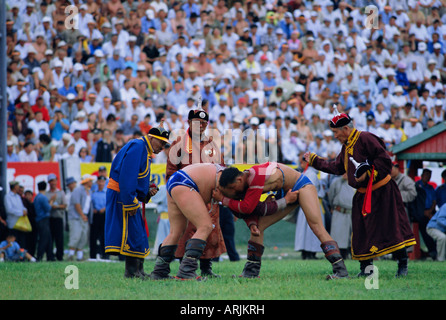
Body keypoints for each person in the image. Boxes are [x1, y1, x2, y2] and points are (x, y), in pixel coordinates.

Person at [304, 109, 416, 277]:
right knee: (361, 231)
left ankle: (402, 265)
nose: (334, 136)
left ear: (346, 129)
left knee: (390, 227)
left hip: (382, 192)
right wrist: (315, 160)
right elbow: (337, 167)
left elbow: (384, 160)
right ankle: (366, 270)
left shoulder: (365, 138)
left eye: (336, 132)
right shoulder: (347, 145)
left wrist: (369, 173)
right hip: (362, 195)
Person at [213, 162, 349, 279]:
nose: (232, 192)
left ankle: (340, 269)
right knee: (258, 228)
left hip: (301, 185)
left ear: (239, 180)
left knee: (316, 226)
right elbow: (248, 209)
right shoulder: (244, 184)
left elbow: (248, 208)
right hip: (285, 192)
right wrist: (252, 222)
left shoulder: (255, 175)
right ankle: (251, 272)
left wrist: (224, 200)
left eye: (231, 189)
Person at [165, 108, 226, 278]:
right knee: (186, 231)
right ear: (189, 123)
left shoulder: (211, 144)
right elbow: (170, 173)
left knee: (211, 230)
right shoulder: (179, 143)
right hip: (186, 194)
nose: (201, 126)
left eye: (204, 123)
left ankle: (206, 268)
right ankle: (184, 269)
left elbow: (222, 169)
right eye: (197, 123)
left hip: (210, 195)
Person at [105, 125, 170, 279]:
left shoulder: (144, 150)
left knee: (138, 233)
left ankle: (138, 270)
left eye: (164, 144)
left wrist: (145, 191)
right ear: (152, 138)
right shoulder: (138, 147)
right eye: (160, 142)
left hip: (128, 195)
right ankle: (131, 272)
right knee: (132, 234)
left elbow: (135, 178)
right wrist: (130, 201)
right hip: (123, 196)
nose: (162, 147)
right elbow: (127, 177)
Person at [327, 173, 355, 259]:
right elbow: (331, 196)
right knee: (338, 235)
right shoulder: (336, 182)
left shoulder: (355, 182)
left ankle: (351, 253)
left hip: (351, 212)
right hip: (339, 211)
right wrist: (332, 207)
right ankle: (340, 254)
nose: (345, 174)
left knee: (351, 236)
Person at [67, 174, 94, 261]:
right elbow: (77, 204)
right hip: (76, 217)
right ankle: (70, 255)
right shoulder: (78, 190)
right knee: (76, 235)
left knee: (83, 236)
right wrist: (82, 215)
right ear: (86, 181)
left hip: (84, 216)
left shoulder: (89, 191)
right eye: (90, 181)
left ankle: (79, 256)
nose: (91, 182)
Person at [46, 173, 67, 261]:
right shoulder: (47, 194)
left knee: (59, 238)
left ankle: (60, 256)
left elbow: (65, 205)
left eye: (54, 180)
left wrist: (57, 207)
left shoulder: (60, 192)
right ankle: (50, 255)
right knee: (50, 238)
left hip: (58, 217)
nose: (53, 183)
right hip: (49, 218)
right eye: (51, 181)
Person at [33, 181, 55, 261]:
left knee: (48, 238)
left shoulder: (36, 197)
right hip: (43, 220)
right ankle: (39, 256)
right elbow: (48, 208)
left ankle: (50, 256)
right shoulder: (43, 197)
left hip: (39, 220)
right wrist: (52, 201)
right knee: (44, 239)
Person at [4, 181, 28, 248]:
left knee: (21, 241)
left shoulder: (18, 196)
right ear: (14, 187)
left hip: (20, 223)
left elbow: (22, 206)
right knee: (13, 241)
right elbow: (9, 210)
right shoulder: (8, 197)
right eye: (18, 186)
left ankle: (21, 256)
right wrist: (21, 213)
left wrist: (25, 210)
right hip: (13, 223)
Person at [90, 176, 107, 260]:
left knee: (104, 236)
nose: (101, 183)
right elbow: (90, 203)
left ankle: (105, 255)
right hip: (95, 215)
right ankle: (93, 255)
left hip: (104, 214)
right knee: (94, 235)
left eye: (102, 182)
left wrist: (104, 209)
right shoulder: (93, 193)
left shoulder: (107, 192)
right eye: (99, 181)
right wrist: (93, 209)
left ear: (104, 183)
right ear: (97, 182)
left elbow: (109, 204)